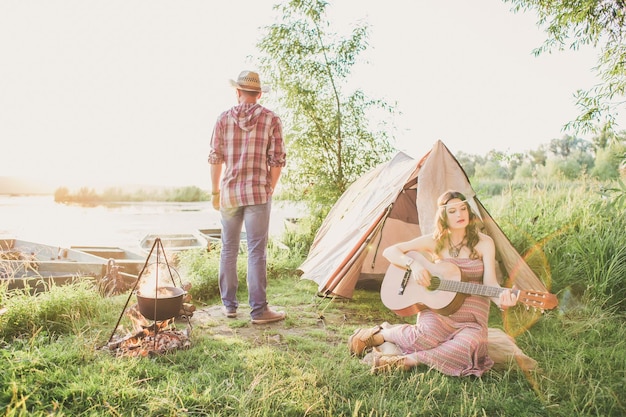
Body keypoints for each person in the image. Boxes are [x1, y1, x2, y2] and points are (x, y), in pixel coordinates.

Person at [348, 190, 519, 376]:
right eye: (452, 211)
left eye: (463, 209)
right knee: (423, 338)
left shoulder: (485, 243)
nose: (460, 214)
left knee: (469, 345)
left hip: (472, 318)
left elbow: (491, 285)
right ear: (443, 215)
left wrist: (502, 301)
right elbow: (390, 251)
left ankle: (407, 361)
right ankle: (381, 334)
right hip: (439, 310)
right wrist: (414, 265)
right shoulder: (435, 241)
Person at [208, 70, 286, 324]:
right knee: (256, 252)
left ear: (238, 92)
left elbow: (215, 159)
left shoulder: (222, 119)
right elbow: (277, 160)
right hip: (257, 193)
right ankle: (259, 311)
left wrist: (215, 191)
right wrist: (269, 187)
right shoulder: (271, 119)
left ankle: (229, 306)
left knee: (228, 250)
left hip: (230, 193)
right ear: (259, 94)